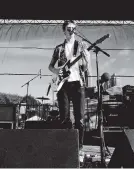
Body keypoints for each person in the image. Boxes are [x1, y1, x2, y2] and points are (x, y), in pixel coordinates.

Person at [48, 20, 91, 149]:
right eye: (69, 28)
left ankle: (79, 147)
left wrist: (87, 59)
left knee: (80, 118)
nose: (71, 30)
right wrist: (57, 71)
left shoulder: (81, 45)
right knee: (64, 118)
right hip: (63, 85)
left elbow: (84, 68)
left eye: (73, 28)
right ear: (64, 31)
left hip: (78, 83)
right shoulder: (59, 48)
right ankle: (66, 147)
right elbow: (50, 66)